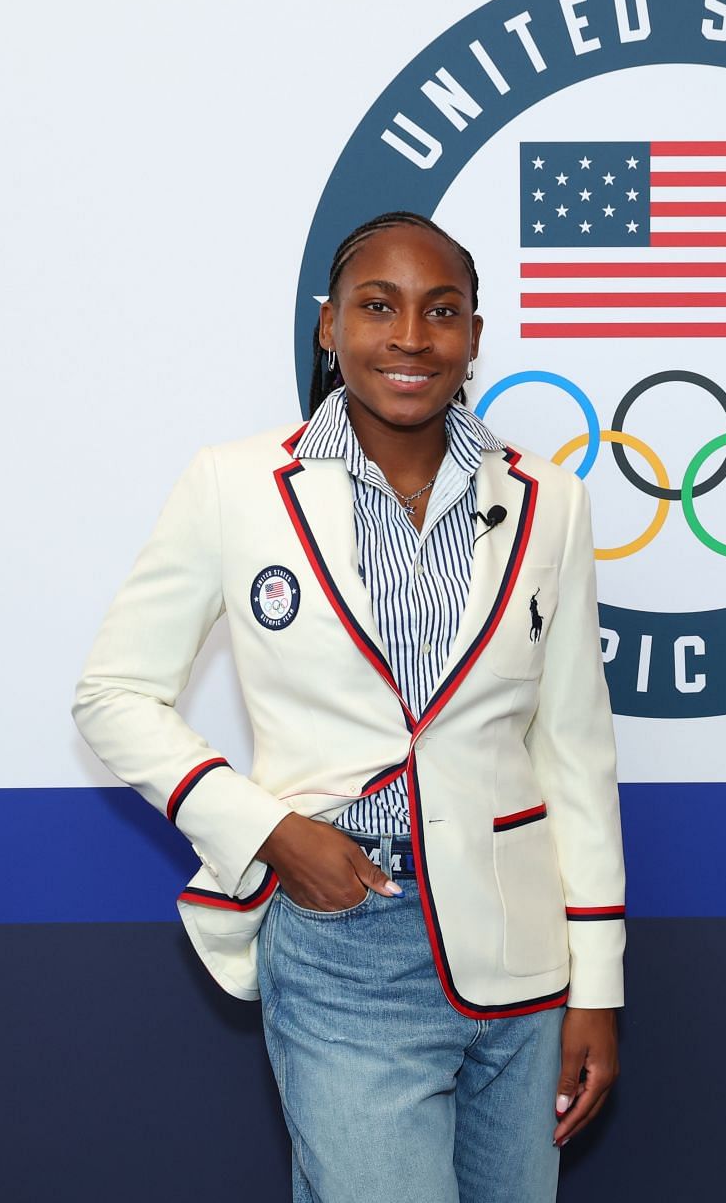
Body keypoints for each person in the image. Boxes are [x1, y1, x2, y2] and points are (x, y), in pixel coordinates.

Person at [72, 211, 625, 1202]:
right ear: (328, 326)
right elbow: (114, 694)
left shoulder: (552, 500)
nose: (411, 336)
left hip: (523, 948)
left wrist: (598, 983)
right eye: (379, 307)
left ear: (475, 336)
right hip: (345, 943)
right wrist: (270, 829)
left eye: (441, 311)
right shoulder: (234, 485)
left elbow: (574, 753)